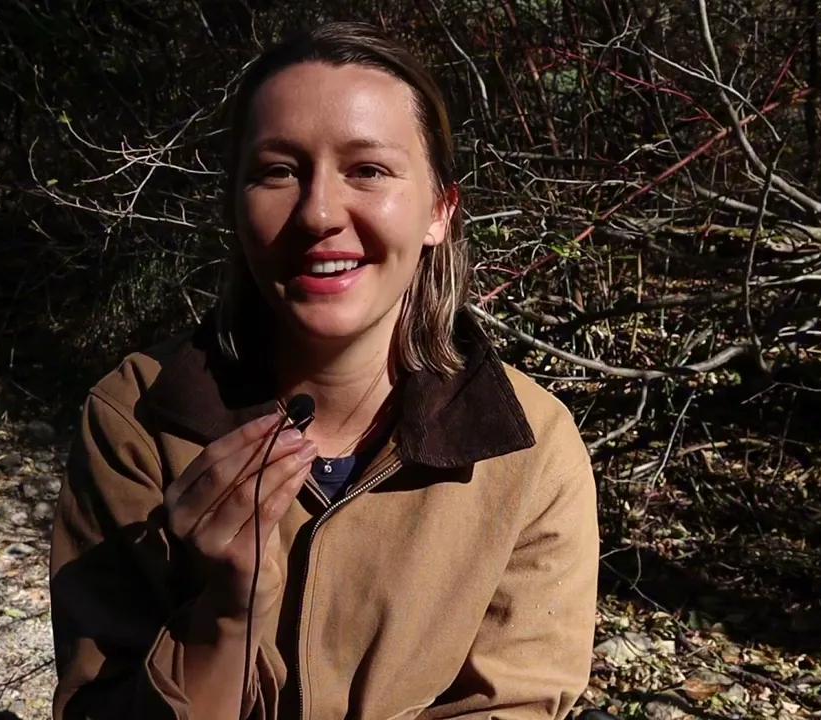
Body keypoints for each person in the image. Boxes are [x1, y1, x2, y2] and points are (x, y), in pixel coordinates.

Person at [48, 20, 600, 720]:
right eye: (278, 171)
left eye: (367, 170)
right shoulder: (136, 417)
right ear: (235, 206)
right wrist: (222, 619)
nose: (317, 213)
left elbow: (515, 703)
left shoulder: (529, 449)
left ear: (439, 210)